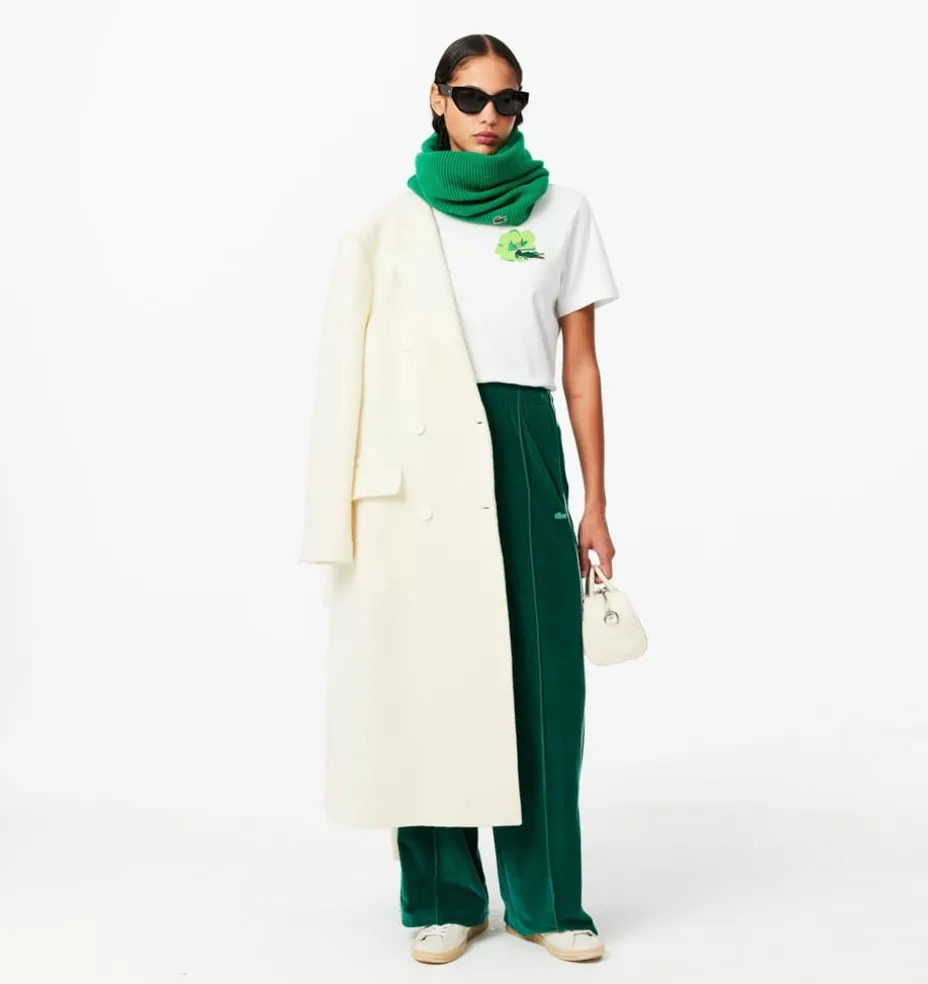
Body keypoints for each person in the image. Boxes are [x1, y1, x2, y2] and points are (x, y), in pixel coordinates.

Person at [299, 33, 619, 965]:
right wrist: (336, 521)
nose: (489, 117)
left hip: (524, 450)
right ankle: (443, 895)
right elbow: (343, 382)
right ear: (437, 99)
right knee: (428, 677)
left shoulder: (563, 213)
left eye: (508, 101)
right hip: (419, 471)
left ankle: (547, 899)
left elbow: (581, 368)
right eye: (471, 98)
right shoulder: (387, 229)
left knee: (546, 681)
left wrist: (597, 503)